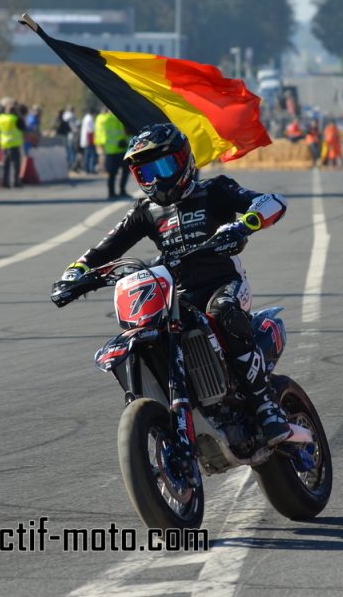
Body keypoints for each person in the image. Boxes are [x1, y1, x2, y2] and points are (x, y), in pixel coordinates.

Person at [52, 123, 292, 445]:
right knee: (145, 331)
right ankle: (164, 405)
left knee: (222, 313)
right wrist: (75, 274)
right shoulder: (146, 212)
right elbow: (104, 249)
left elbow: (271, 200)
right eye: (144, 173)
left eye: (162, 167)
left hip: (223, 283)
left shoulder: (215, 190)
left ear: (183, 160)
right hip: (176, 295)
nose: (155, 179)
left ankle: (265, 405)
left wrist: (243, 226)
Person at [94, 107, 129, 199]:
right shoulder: (118, 117)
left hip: (109, 150)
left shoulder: (102, 119)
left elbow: (99, 133)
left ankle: (111, 193)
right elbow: (125, 131)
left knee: (112, 173)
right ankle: (122, 190)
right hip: (121, 149)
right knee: (125, 171)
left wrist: (99, 144)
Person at [0, 103, 25, 188]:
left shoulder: (0, 118)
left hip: (4, 143)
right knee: (16, 165)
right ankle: (16, 181)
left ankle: (5, 182)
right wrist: (19, 115)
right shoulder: (15, 119)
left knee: (6, 164)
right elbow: (22, 127)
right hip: (14, 143)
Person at [79, 108, 96, 174]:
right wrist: (92, 141)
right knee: (91, 155)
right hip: (89, 140)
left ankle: (86, 168)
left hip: (86, 140)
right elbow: (90, 131)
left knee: (87, 155)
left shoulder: (86, 118)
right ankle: (90, 169)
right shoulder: (89, 119)